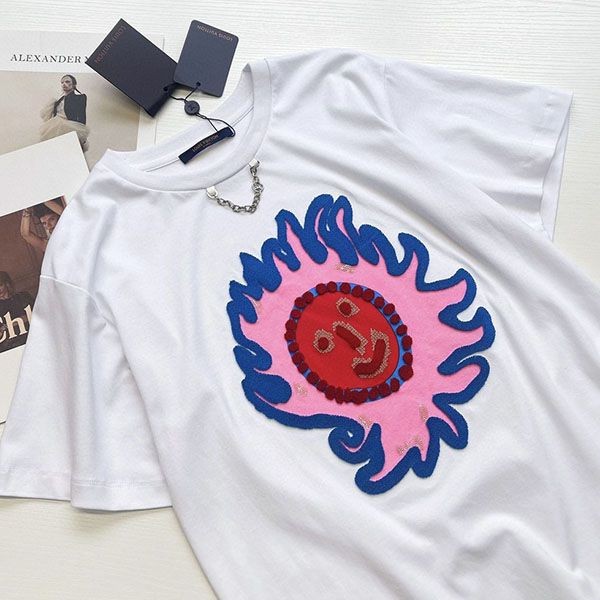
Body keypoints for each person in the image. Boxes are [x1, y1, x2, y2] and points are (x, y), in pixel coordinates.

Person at [39, 74, 90, 152]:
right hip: (55, 126)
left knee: (69, 149)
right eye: (62, 82)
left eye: (67, 82)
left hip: (70, 126)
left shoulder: (80, 97)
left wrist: (82, 132)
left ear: (74, 84)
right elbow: (49, 115)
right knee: (54, 149)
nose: (64, 84)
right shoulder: (58, 100)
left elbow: (82, 115)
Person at [0, 271, 33, 353]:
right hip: (9, 348)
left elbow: (36, 315)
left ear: (7, 284)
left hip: (30, 339)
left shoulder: (23, 297)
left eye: (0, 285)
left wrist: (8, 326)